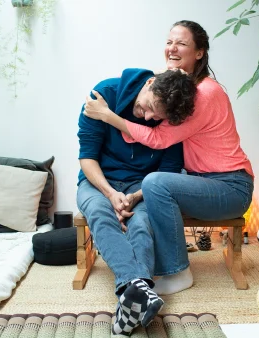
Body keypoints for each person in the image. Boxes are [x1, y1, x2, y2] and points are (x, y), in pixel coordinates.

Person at [83, 20, 255, 296]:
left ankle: (178, 271)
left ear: (199, 53)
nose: (173, 49)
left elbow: (159, 138)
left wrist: (108, 116)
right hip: (203, 181)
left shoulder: (204, 93)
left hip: (229, 186)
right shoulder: (178, 87)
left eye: (182, 44)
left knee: (156, 183)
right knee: (147, 197)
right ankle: (138, 276)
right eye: (169, 42)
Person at [76, 68, 197, 335]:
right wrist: (110, 194)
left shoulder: (169, 120)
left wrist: (134, 196)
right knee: (98, 212)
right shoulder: (103, 95)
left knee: (141, 223)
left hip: (141, 186)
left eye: (158, 116)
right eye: (151, 107)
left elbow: (169, 169)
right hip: (97, 182)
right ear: (150, 83)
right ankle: (138, 287)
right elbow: (87, 156)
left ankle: (131, 297)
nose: (151, 117)